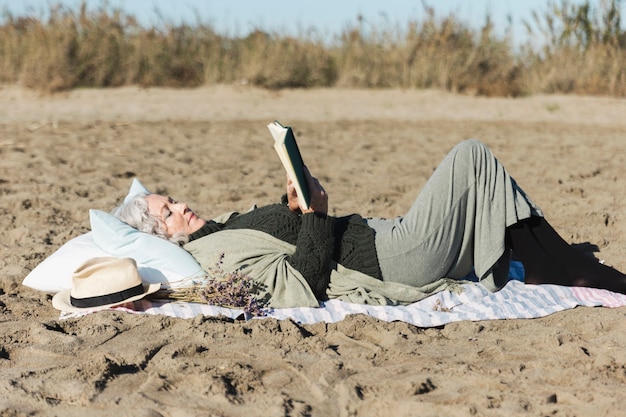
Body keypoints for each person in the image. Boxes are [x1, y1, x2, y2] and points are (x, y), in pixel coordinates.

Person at [114, 139, 626, 308]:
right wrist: (316, 215)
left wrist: (293, 204)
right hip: (392, 260)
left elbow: (280, 236)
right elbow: (300, 283)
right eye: (168, 213)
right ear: (163, 237)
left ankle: (556, 263)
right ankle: (569, 271)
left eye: (174, 199)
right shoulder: (210, 255)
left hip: (384, 236)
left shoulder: (219, 227)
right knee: (471, 158)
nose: (181, 207)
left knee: (487, 185)